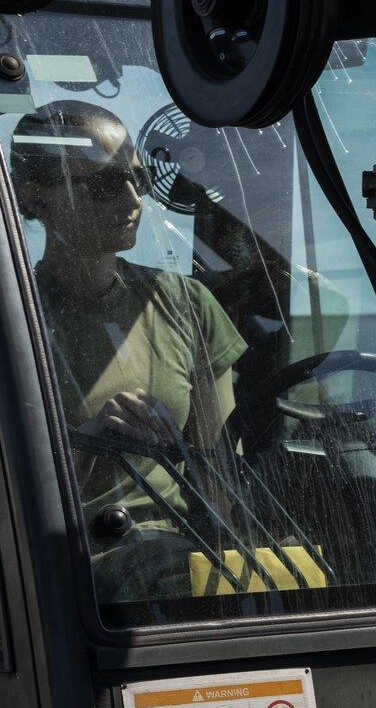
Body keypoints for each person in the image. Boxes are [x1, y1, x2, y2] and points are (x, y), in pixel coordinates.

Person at [6, 100, 247, 578]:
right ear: (36, 200)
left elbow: (224, 478)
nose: (135, 200)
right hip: (69, 573)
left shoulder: (187, 304)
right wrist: (90, 442)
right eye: (104, 184)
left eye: (139, 179)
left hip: (177, 556)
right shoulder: (14, 320)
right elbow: (13, 510)